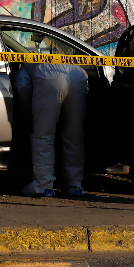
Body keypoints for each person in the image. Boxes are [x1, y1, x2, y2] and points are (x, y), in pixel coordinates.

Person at [13, 62, 89, 197]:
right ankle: (74, 185)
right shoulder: (65, 60)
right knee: (74, 136)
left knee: (43, 135)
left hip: (48, 77)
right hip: (78, 74)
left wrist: (28, 111)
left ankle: (43, 184)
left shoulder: (28, 66)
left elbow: (22, 86)